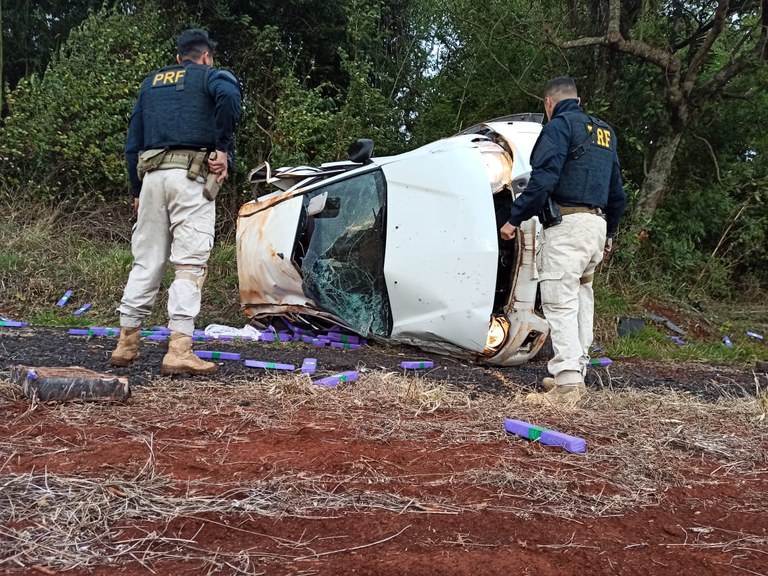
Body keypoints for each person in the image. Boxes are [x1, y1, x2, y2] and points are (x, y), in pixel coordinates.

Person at [109, 29, 242, 375]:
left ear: (179, 56)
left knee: (146, 260)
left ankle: (126, 344)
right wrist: (223, 148)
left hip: (151, 177)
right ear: (206, 56)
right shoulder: (212, 76)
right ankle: (179, 347)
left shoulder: (151, 84)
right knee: (189, 263)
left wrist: (136, 190)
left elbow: (132, 141)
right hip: (190, 177)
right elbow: (228, 97)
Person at [500, 76, 626, 406]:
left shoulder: (558, 127)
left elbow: (543, 181)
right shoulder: (604, 134)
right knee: (582, 297)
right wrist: (610, 232)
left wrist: (513, 219)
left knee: (559, 299)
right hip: (596, 227)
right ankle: (574, 373)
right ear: (578, 100)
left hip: (568, 227)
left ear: (549, 104)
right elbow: (617, 194)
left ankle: (568, 385)